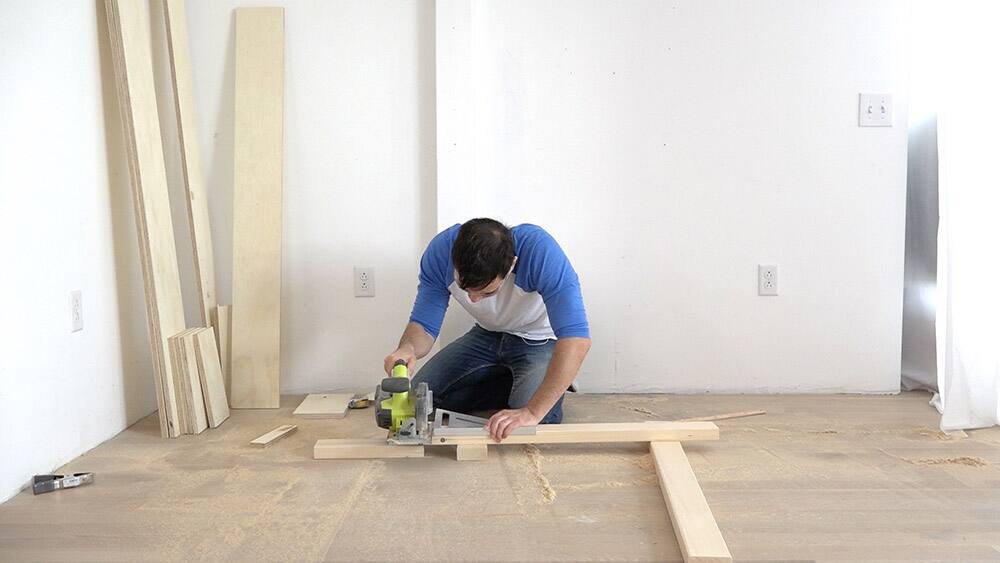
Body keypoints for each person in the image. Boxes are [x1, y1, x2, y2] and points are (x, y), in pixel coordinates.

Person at [383, 218, 591, 442]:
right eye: (466, 289)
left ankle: (542, 383)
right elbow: (424, 324)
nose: (473, 300)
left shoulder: (540, 251)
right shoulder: (440, 252)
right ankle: (508, 383)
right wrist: (408, 348)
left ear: (511, 264)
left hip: (540, 340)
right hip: (485, 336)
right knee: (416, 402)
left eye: (486, 292)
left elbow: (576, 338)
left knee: (533, 423)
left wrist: (531, 411)